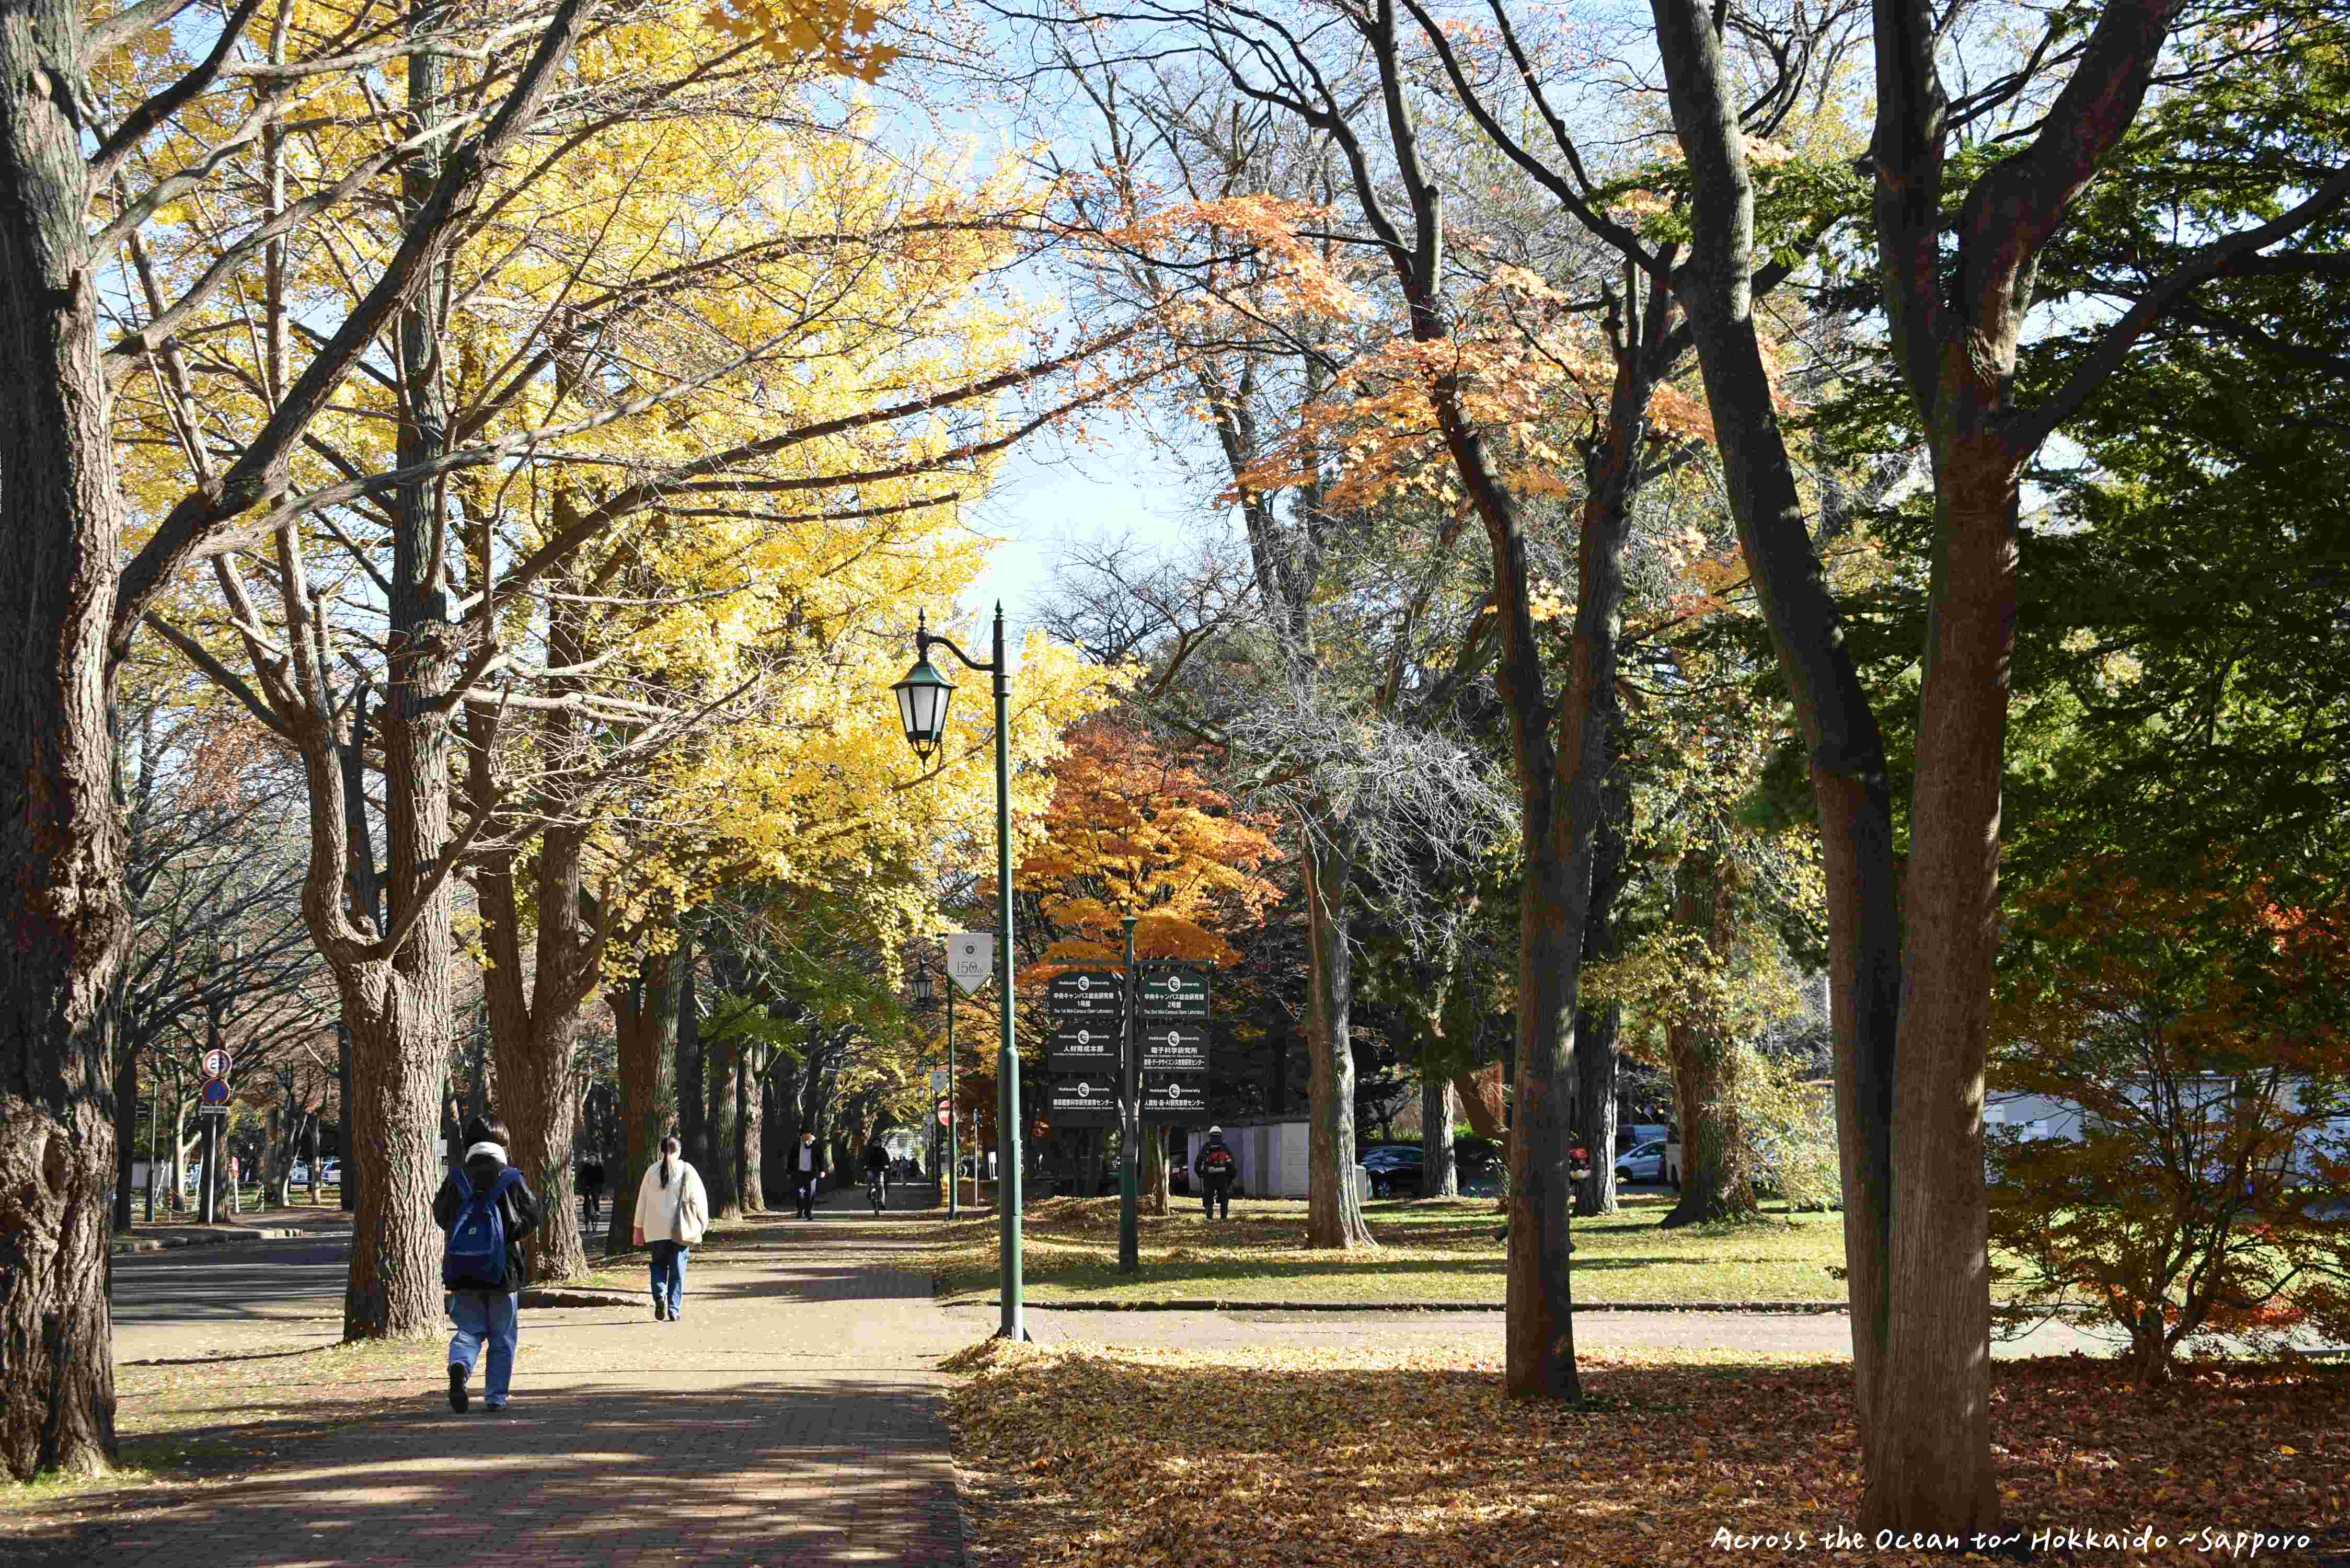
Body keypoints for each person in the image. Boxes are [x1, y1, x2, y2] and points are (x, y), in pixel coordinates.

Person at [433, 1114, 542, 1414]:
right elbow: (532, 1215)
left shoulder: (457, 1178)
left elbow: (441, 1215)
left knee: (468, 1329)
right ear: (502, 1142)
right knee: (503, 1336)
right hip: (502, 1270)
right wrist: (505, 1236)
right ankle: (495, 1397)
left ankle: (460, 1365)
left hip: (463, 1268)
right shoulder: (510, 1177)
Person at [632, 1135, 708, 1322]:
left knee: (658, 1265)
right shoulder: (687, 1170)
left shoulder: (651, 1171)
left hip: (656, 1229)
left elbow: (642, 1202)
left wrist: (639, 1228)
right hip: (681, 1230)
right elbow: (699, 1199)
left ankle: (659, 1296)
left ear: (661, 1151)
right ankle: (674, 1309)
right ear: (679, 1151)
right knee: (677, 1269)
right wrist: (703, 1223)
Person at [1193, 1126, 1237, 1220]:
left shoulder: (1206, 1147)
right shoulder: (1225, 1147)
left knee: (1208, 1197)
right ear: (1220, 1135)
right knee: (1224, 1198)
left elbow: (1198, 1161)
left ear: (1210, 1135)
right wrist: (1231, 1177)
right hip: (1223, 1177)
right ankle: (1223, 1218)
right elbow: (1232, 1162)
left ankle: (1210, 1218)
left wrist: (1199, 1173)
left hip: (1209, 1177)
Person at [789, 1130, 825, 1219]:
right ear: (802, 1135)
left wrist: (822, 1171)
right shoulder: (797, 1144)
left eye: (808, 1135)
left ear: (810, 1135)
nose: (806, 1137)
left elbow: (820, 1158)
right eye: (805, 1135)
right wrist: (789, 1171)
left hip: (811, 1173)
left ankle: (808, 1212)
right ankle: (800, 1210)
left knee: (811, 1194)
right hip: (799, 1172)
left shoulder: (816, 1144)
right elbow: (791, 1158)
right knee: (799, 1193)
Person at [862, 1137, 891, 1214]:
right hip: (871, 1170)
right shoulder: (868, 1151)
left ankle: (883, 1202)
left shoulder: (883, 1151)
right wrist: (865, 1166)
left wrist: (887, 1165)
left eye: (878, 1143)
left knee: (882, 1186)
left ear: (880, 1143)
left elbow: (887, 1160)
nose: (876, 1144)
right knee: (870, 1181)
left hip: (881, 1170)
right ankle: (869, 1192)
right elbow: (865, 1160)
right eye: (875, 1143)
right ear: (872, 1143)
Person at [578, 1158, 605, 1223]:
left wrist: (601, 1186)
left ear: (595, 1160)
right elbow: (581, 1177)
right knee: (586, 1201)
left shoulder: (599, 1167)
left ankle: (597, 1211)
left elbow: (602, 1178)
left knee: (595, 1198)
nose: (591, 1160)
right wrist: (580, 1186)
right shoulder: (585, 1167)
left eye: (593, 1159)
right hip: (587, 1187)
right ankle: (586, 1216)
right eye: (590, 1159)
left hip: (596, 1187)